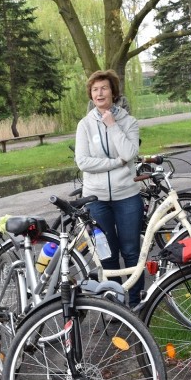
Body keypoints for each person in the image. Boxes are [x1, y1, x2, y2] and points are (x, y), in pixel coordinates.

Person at [74, 69, 142, 305]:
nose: (99, 93)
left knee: (132, 251)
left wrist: (112, 125)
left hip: (128, 197)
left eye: (104, 88)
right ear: (91, 95)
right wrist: (116, 162)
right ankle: (114, 303)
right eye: (95, 89)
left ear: (113, 92)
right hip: (96, 199)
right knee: (107, 253)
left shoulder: (128, 122)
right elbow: (83, 162)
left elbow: (130, 152)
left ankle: (135, 302)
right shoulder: (84, 125)